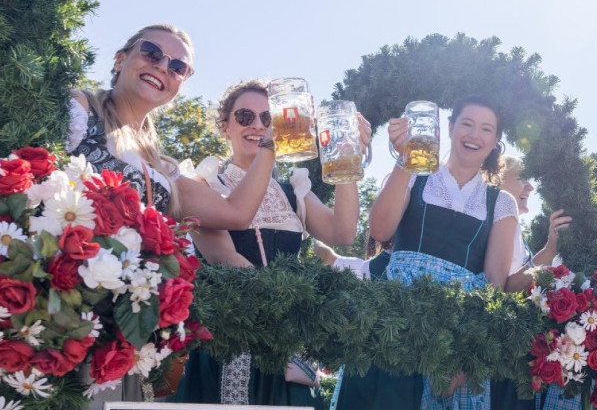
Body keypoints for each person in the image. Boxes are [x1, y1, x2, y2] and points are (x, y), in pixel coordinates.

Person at [66, 24, 275, 408]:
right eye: (151, 52)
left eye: (178, 66)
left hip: (128, 328)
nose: (163, 66)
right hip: (63, 311)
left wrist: (271, 145)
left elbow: (235, 212)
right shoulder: (80, 109)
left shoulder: (159, 163)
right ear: (120, 58)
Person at [169, 79, 370, 408]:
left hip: (285, 354)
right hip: (229, 343)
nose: (259, 126)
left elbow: (344, 234)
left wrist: (347, 156)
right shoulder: (206, 183)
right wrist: (300, 313)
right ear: (225, 126)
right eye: (246, 116)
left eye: (269, 118)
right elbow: (224, 258)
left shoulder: (292, 190)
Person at [347, 94, 518, 410]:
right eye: (466, 124)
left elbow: (495, 283)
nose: (474, 135)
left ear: (495, 141)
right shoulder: (415, 173)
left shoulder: (502, 202)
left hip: (454, 333)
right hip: (393, 319)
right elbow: (380, 231)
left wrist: (466, 356)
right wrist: (404, 159)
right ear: (449, 128)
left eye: (485, 129)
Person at [490, 155, 571, 410]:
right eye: (523, 179)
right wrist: (549, 248)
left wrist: (550, 248)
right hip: (501, 347)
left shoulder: (513, 227)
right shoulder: (498, 220)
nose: (531, 187)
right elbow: (506, 288)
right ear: (497, 179)